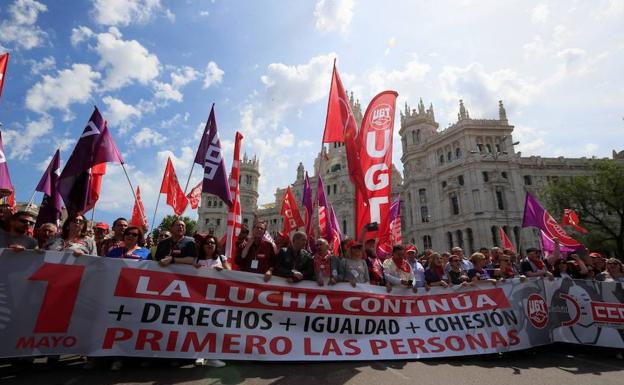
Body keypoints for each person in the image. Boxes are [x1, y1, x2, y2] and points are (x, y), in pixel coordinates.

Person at [191, 233, 227, 368]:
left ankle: (212, 356)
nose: (210, 245)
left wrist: (223, 270)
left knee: (213, 327)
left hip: (216, 298)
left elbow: (231, 274)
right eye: (207, 243)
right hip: (199, 297)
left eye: (212, 243)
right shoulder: (196, 260)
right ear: (203, 246)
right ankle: (198, 355)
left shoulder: (221, 259)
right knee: (198, 326)